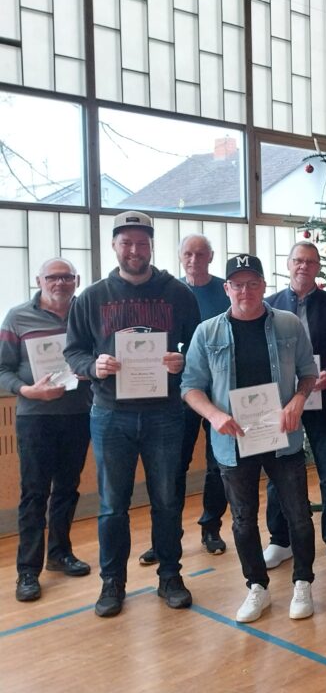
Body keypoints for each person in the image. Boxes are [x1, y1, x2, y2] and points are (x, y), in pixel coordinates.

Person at [64, 211, 201, 618]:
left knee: (167, 500)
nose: (135, 250)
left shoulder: (177, 293)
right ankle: (112, 582)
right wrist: (94, 366)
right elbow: (74, 351)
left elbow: (197, 347)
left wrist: (182, 361)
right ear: (114, 245)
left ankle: (170, 576)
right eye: (127, 242)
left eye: (142, 243)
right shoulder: (92, 297)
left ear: (151, 246)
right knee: (112, 505)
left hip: (165, 414)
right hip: (110, 415)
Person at [182, 254, 320, 623]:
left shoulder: (288, 324)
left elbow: (309, 373)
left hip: (283, 437)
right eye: (238, 284)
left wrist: (297, 401)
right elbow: (190, 387)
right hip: (233, 440)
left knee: (299, 514)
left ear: (263, 285)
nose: (246, 291)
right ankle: (257, 586)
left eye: (253, 283)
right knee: (243, 519)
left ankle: (303, 582)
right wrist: (215, 415)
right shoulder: (207, 332)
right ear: (226, 288)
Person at [1, 258, 92, 602]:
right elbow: (2, 368)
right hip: (35, 416)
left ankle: (60, 553)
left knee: (68, 489)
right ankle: (27, 570)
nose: (60, 283)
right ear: (39, 280)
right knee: (34, 493)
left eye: (67, 277)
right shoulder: (17, 317)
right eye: (52, 277)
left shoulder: (85, 313)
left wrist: (88, 368)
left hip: (78, 413)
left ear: (76, 280)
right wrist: (27, 390)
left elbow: (96, 355)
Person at [138, 233, 230, 566]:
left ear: (211, 256)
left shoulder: (225, 291)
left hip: (221, 393)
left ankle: (211, 527)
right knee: (173, 466)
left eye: (201, 254)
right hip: (180, 393)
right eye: (188, 254)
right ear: (180, 257)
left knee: (218, 465)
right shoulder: (169, 294)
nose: (194, 260)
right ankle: (166, 537)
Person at [265, 241, 326, 570]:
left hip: (322, 398)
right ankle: (280, 540)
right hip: (282, 401)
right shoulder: (269, 305)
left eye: (311, 262)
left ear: (318, 267)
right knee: (278, 472)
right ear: (289, 264)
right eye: (298, 260)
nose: (304, 266)